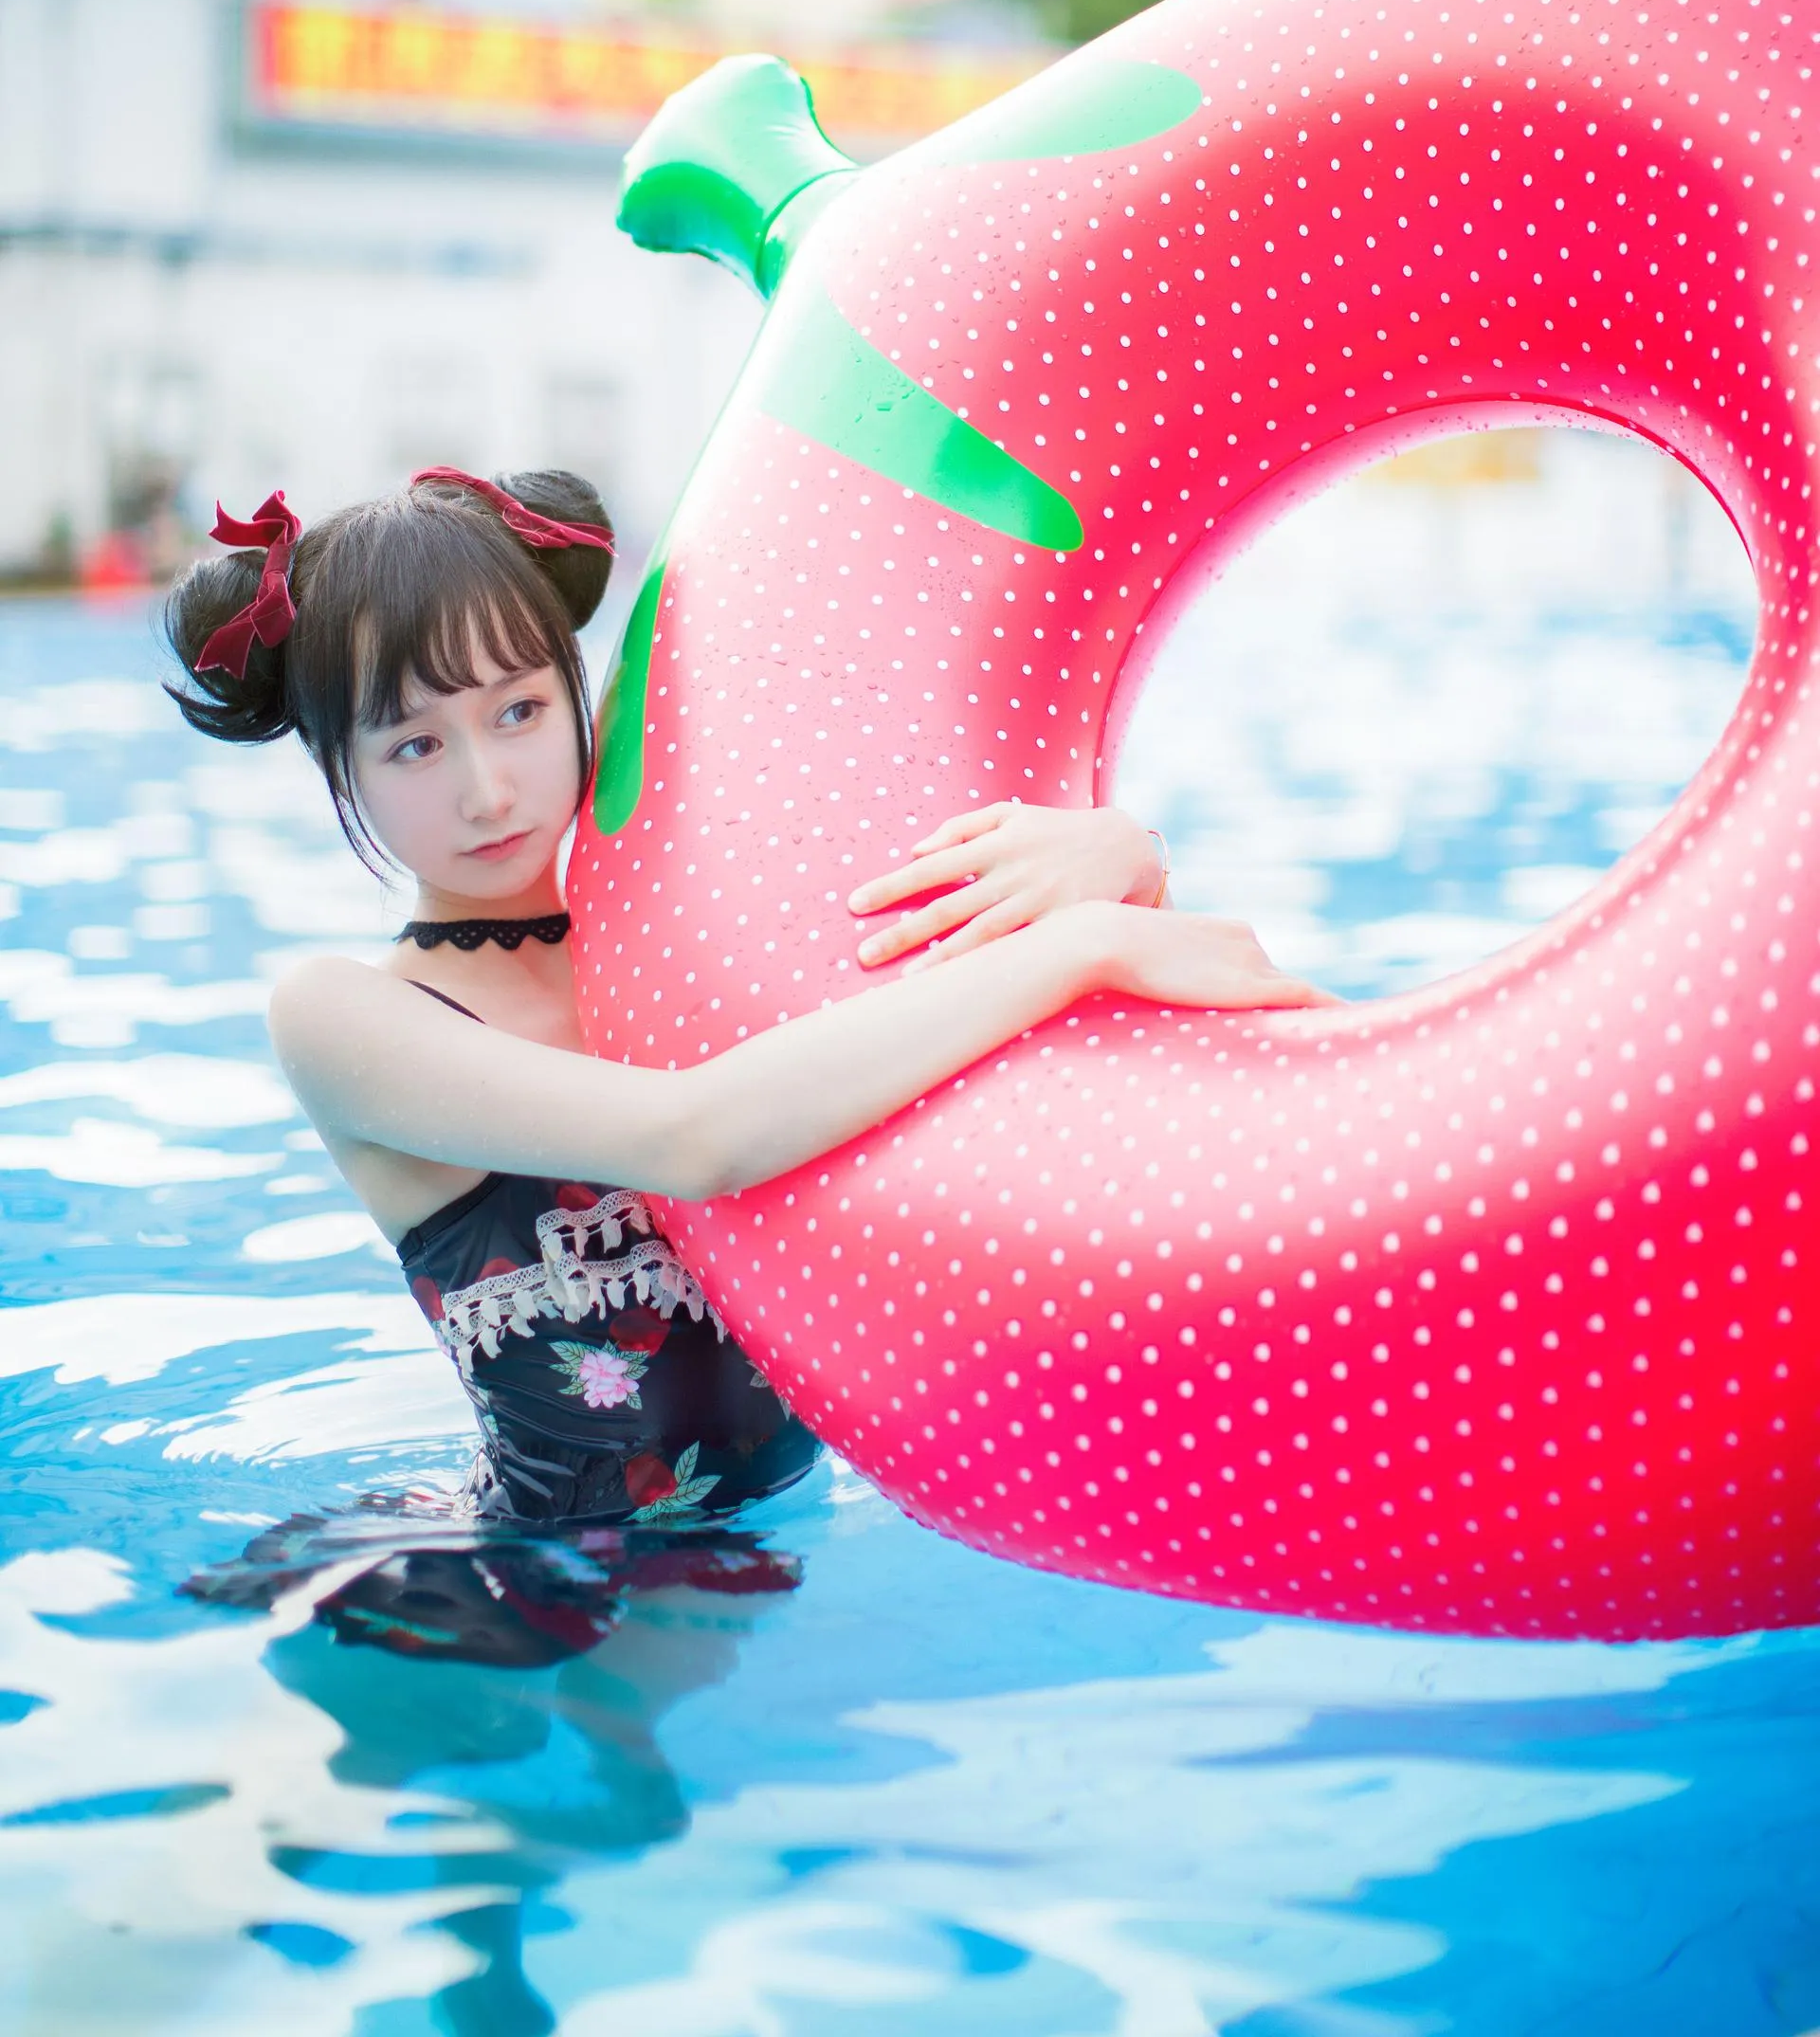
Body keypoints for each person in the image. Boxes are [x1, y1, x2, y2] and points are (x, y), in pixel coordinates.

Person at [165, 465, 1321, 1532]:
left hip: (753, 1556)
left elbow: (1023, 1071)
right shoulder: (345, 1018)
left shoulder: (698, 927)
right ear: (340, 769)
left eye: (519, 712)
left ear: (577, 696)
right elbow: (696, 1137)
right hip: (517, 1595)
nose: (487, 791)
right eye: (415, 748)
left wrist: (1119, 857)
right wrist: (1084, 946)